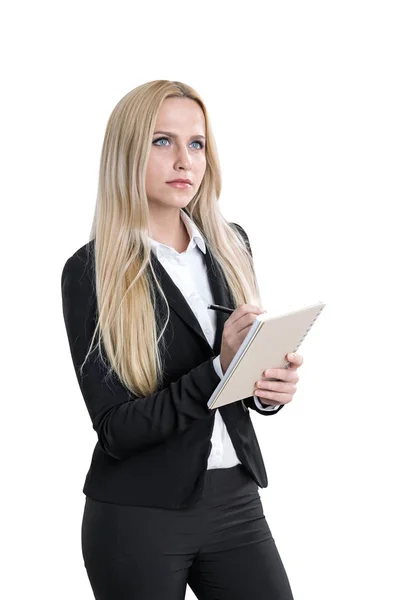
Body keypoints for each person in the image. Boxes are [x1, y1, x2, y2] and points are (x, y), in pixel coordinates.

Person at [61, 79, 304, 600]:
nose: (184, 161)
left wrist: (266, 388)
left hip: (235, 502)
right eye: (162, 141)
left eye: (196, 144)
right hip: (137, 518)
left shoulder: (232, 245)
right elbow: (117, 431)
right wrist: (220, 370)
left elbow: (238, 377)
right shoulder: (91, 272)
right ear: (127, 152)